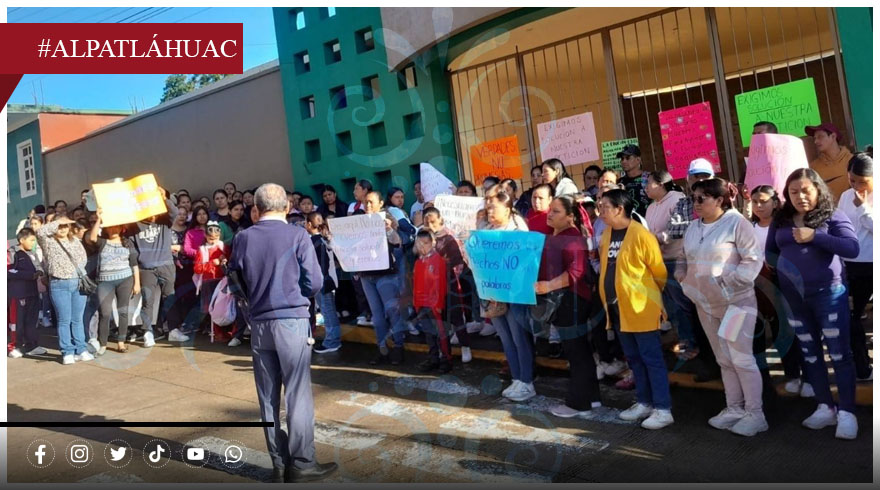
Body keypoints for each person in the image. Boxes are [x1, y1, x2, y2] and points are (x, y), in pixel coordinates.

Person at [227, 183, 337, 483]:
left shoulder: (243, 238)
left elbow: (234, 279)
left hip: (260, 322)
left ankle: (278, 463)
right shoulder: (297, 235)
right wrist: (295, 293)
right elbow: (315, 282)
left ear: (256, 209)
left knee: (267, 397)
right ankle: (302, 463)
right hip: (291, 319)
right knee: (297, 394)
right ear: (287, 207)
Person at [766, 168, 860, 440]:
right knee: (810, 354)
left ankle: (847, 413)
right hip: (794, 298)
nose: (800, 197)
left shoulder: (832, 215)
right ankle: (825, 407)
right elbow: (770, 252)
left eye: (806, 190)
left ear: (818, 190)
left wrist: (814, 236)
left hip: (828, 294)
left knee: (839, 355)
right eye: (793, 192)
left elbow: (852, 248)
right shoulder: (781, 219)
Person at [678, 178, 767, 436]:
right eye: (693, 198)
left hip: (735, 305)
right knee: (724, 359)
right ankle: (734, 408)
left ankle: (755, 414)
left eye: (701, 198)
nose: (696, 203)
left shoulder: (737, 223)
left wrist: (730, 282)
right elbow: (683, 256)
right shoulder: (693, 227)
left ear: (719, 200)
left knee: (741, 358)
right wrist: (682, 277)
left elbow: (752, 259)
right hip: (705, 305)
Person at [598, 189, 672, 429]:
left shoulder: (641, 235)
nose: (600, 211)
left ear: (619, 209)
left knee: (652, 359)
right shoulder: (607, 234)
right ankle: (644, 402)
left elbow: (659, 273)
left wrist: (647, 298)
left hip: (641, 309)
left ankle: (663, 408)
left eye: (604, 207)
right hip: (617, 310)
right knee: (634, 359)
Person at [538, 195, 602, 417]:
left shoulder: (573, 238)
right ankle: (592, 398)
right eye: (550, 210)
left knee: (576, 351)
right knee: (579, 350)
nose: (550, 214)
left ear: (570, 216)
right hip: (564, 299)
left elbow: (576, 272)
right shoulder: (555, 236)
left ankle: (579, 404)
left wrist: (548, 285)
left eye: (556, 211)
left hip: (572, 300)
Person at [666, 157, 721, 381]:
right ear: (688, 179)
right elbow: (673, 230)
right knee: (700, 321)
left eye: (704, 176)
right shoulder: (683, 204)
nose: (700, 180)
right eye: (695, 176)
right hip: (693, 271)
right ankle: (710, 366)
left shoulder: (723, 199)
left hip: (720, 277)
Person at [749, 185, 807, 397]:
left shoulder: (784, 226)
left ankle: (798, 375)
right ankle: (776, 376)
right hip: (757, 286)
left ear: (775, 203)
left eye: (763, 201)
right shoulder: (749, 227)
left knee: (787, 329)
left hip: (783, 283)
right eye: (755, 202)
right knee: (764, 331)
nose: (758, 206)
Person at [479, 190, 535, 401]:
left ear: (508, 208)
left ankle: (527, 381)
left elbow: (527, 261)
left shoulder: (518, 229)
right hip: (492, 292)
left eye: (494, 208)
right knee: (505, 337)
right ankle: (516, 378)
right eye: (488, 208)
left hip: (515, 292)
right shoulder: (485, 231)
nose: (490, 212)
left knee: (519, 336)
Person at [644, 171, 693, 361]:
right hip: (658, 261)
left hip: (675, 259)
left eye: (649, 183)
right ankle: (681, 341)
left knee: (682, 305)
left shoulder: (678, 200)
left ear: (661, 184)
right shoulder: (651, 207)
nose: (646, 187)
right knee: (670, 307)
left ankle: (690, 343)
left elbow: (678, 230)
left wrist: (654, 239)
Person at [36, 216, 93, 365]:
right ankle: (67, 351)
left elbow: (83, 258)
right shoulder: (48, 242)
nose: (62, 228)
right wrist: (57, 222)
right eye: (60, 226)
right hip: (59, 283)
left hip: (78, 282)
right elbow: (40, 232)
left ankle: (81, 349)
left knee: (77, 319)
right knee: (64, 319)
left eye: (65, 226)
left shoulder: (75, 241)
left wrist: (76, 271)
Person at [359, 191, 407, 365]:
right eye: (366, 202)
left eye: (371, 202)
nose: (368, 205)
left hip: (386, 274)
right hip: (367, 275)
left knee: (392, 311)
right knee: (377, 316)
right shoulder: (357, 222)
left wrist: (388, 230)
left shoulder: (388, 219)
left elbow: (397, 242)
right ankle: (382, 348)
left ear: (380, 203)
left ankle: (399, 346)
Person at [837, 153, 873, 381]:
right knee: (852, 316)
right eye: (852, 180)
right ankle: (863, 367)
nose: (857, 186)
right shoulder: (845, 196)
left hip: (872, 264)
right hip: (849, 264)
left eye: (863, 181)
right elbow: (841, 226)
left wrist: (863, 208)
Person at [85, 208, 141, 355]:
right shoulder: (102, 242)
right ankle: (103, 343)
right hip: (105, 281)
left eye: (116, 226)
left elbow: (134, 263)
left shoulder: (127, 243)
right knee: (105, 312)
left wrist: (137, 283)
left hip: (125, 279)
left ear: (121, 228)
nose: (114, 229)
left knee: (123, 311)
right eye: (110, 227)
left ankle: (121, 342)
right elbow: (92, 238)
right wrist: (99, 219)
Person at [422, 207, 473, 363]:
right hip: (431, 286)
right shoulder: (423, 237)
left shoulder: (448, 238)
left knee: (456, 315)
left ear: (440, 220)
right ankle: (443, 350)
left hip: (449, 283)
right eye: (427, 223)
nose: (431, 226)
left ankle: (465, 346)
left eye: (433, 222)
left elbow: (457, 262)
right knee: (439, 318)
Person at [132, 190, 178, 346]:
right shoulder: (134, 225)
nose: (152, 214)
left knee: (170, 297)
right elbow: (132, 251)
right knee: (148, 301)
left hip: (166, 265)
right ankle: (147, 332)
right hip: (146, 268)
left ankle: (173, 330)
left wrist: (164, 198)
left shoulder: (164, 220)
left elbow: (174, 212)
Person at [413, 230, 453, 373]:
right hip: (422, 303)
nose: (422, 246)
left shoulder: (438, 260)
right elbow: (415, 284)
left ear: (432, 243)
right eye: (419, 244)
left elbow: (441, 284)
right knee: (429, 333)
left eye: (426, 243)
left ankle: (446, 359)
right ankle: (433, 358)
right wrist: (416, 303)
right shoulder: (418, 262)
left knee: (441, 333)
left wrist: (438, 304)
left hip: (434, 304)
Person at [305, 212, 342, 354]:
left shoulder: (314, 242)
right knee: (329, 311)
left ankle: (332, 341)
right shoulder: (325, 240)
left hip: (322, 281)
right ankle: (332, 340)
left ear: (309, 224)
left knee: (328, 311)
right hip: (328, 280)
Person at [7, 228, 46, 358]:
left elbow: (39, 267)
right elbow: (8, 271)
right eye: (31, 240)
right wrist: (29, 275)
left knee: (31, 321)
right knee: (17, 322)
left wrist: (40, 272)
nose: (33, 243)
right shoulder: (12, 253)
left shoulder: (32, 253)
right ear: (22, 240)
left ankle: (31, 346)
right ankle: (14, 347)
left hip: (32, 293)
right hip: (18, 294)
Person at [193, 221, 231, 342]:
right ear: (206, 236)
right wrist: (211, 264)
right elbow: (197, 268)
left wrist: (224, 260)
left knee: (224, 306)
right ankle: (216, 332)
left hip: (222, 280)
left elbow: (230, 260)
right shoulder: (202, 250)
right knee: (212, 307)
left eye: (216, 238)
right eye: (211, 238)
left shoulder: (224, 247)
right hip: (209, 281)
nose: (213, 241)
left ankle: (227, 330)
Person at [806, 122, 854, 201]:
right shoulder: (813, 167)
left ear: (833, 136)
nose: (816, 141)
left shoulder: (852, 161)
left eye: (820, 137)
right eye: (815, 138)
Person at [616, 144, 652, 217]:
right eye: (622, 159)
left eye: (628, 158)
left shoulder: (649, 178)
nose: (624, 161)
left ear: (638, 160)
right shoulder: (619, 182)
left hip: (648, 220)